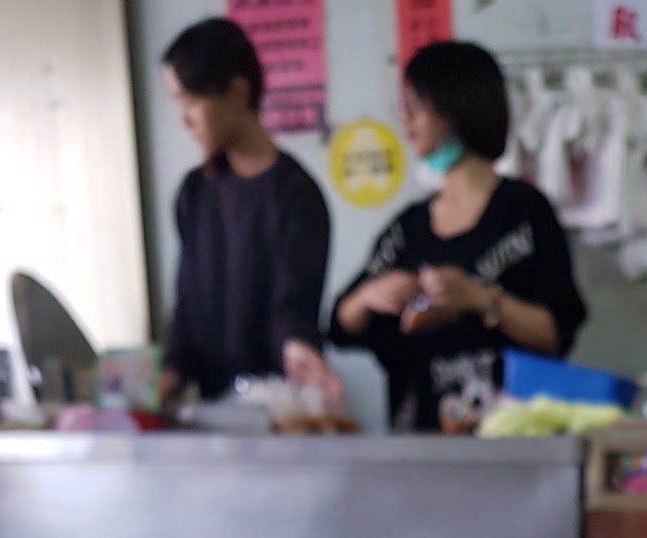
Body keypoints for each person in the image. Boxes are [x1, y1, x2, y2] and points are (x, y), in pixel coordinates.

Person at [330, 41, 587, 432]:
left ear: (456, 106)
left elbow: (557, 334)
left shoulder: (526, 212)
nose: (405, 117)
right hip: (419, 445)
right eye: (404, 105)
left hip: (512, 441)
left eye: (417, 104)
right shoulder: (406, 229)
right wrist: (370, 296)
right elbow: (340, 327)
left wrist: (479, 298)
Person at [160, 17, 341, 405]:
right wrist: (167, 373)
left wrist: (298, 348)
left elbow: (294, 304)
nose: (184, 120)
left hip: (275, 410)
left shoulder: (296, 195)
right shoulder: (194, 193)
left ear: (237, 93)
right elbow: (187, 307)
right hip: (209, 413)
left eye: (192, 101)